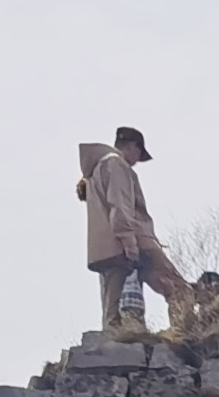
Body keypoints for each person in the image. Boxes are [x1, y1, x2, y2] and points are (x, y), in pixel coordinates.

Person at [79, 126, 192, 329]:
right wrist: (129, 242)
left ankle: (115, 344)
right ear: (133, 146)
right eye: (139, 153)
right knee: (178, 289)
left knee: (112, 313)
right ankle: (184, 333)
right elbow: (120, 205)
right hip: (135, 242)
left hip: (107, 249)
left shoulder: (96, 171)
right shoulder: (116, 164)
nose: (137, 160)